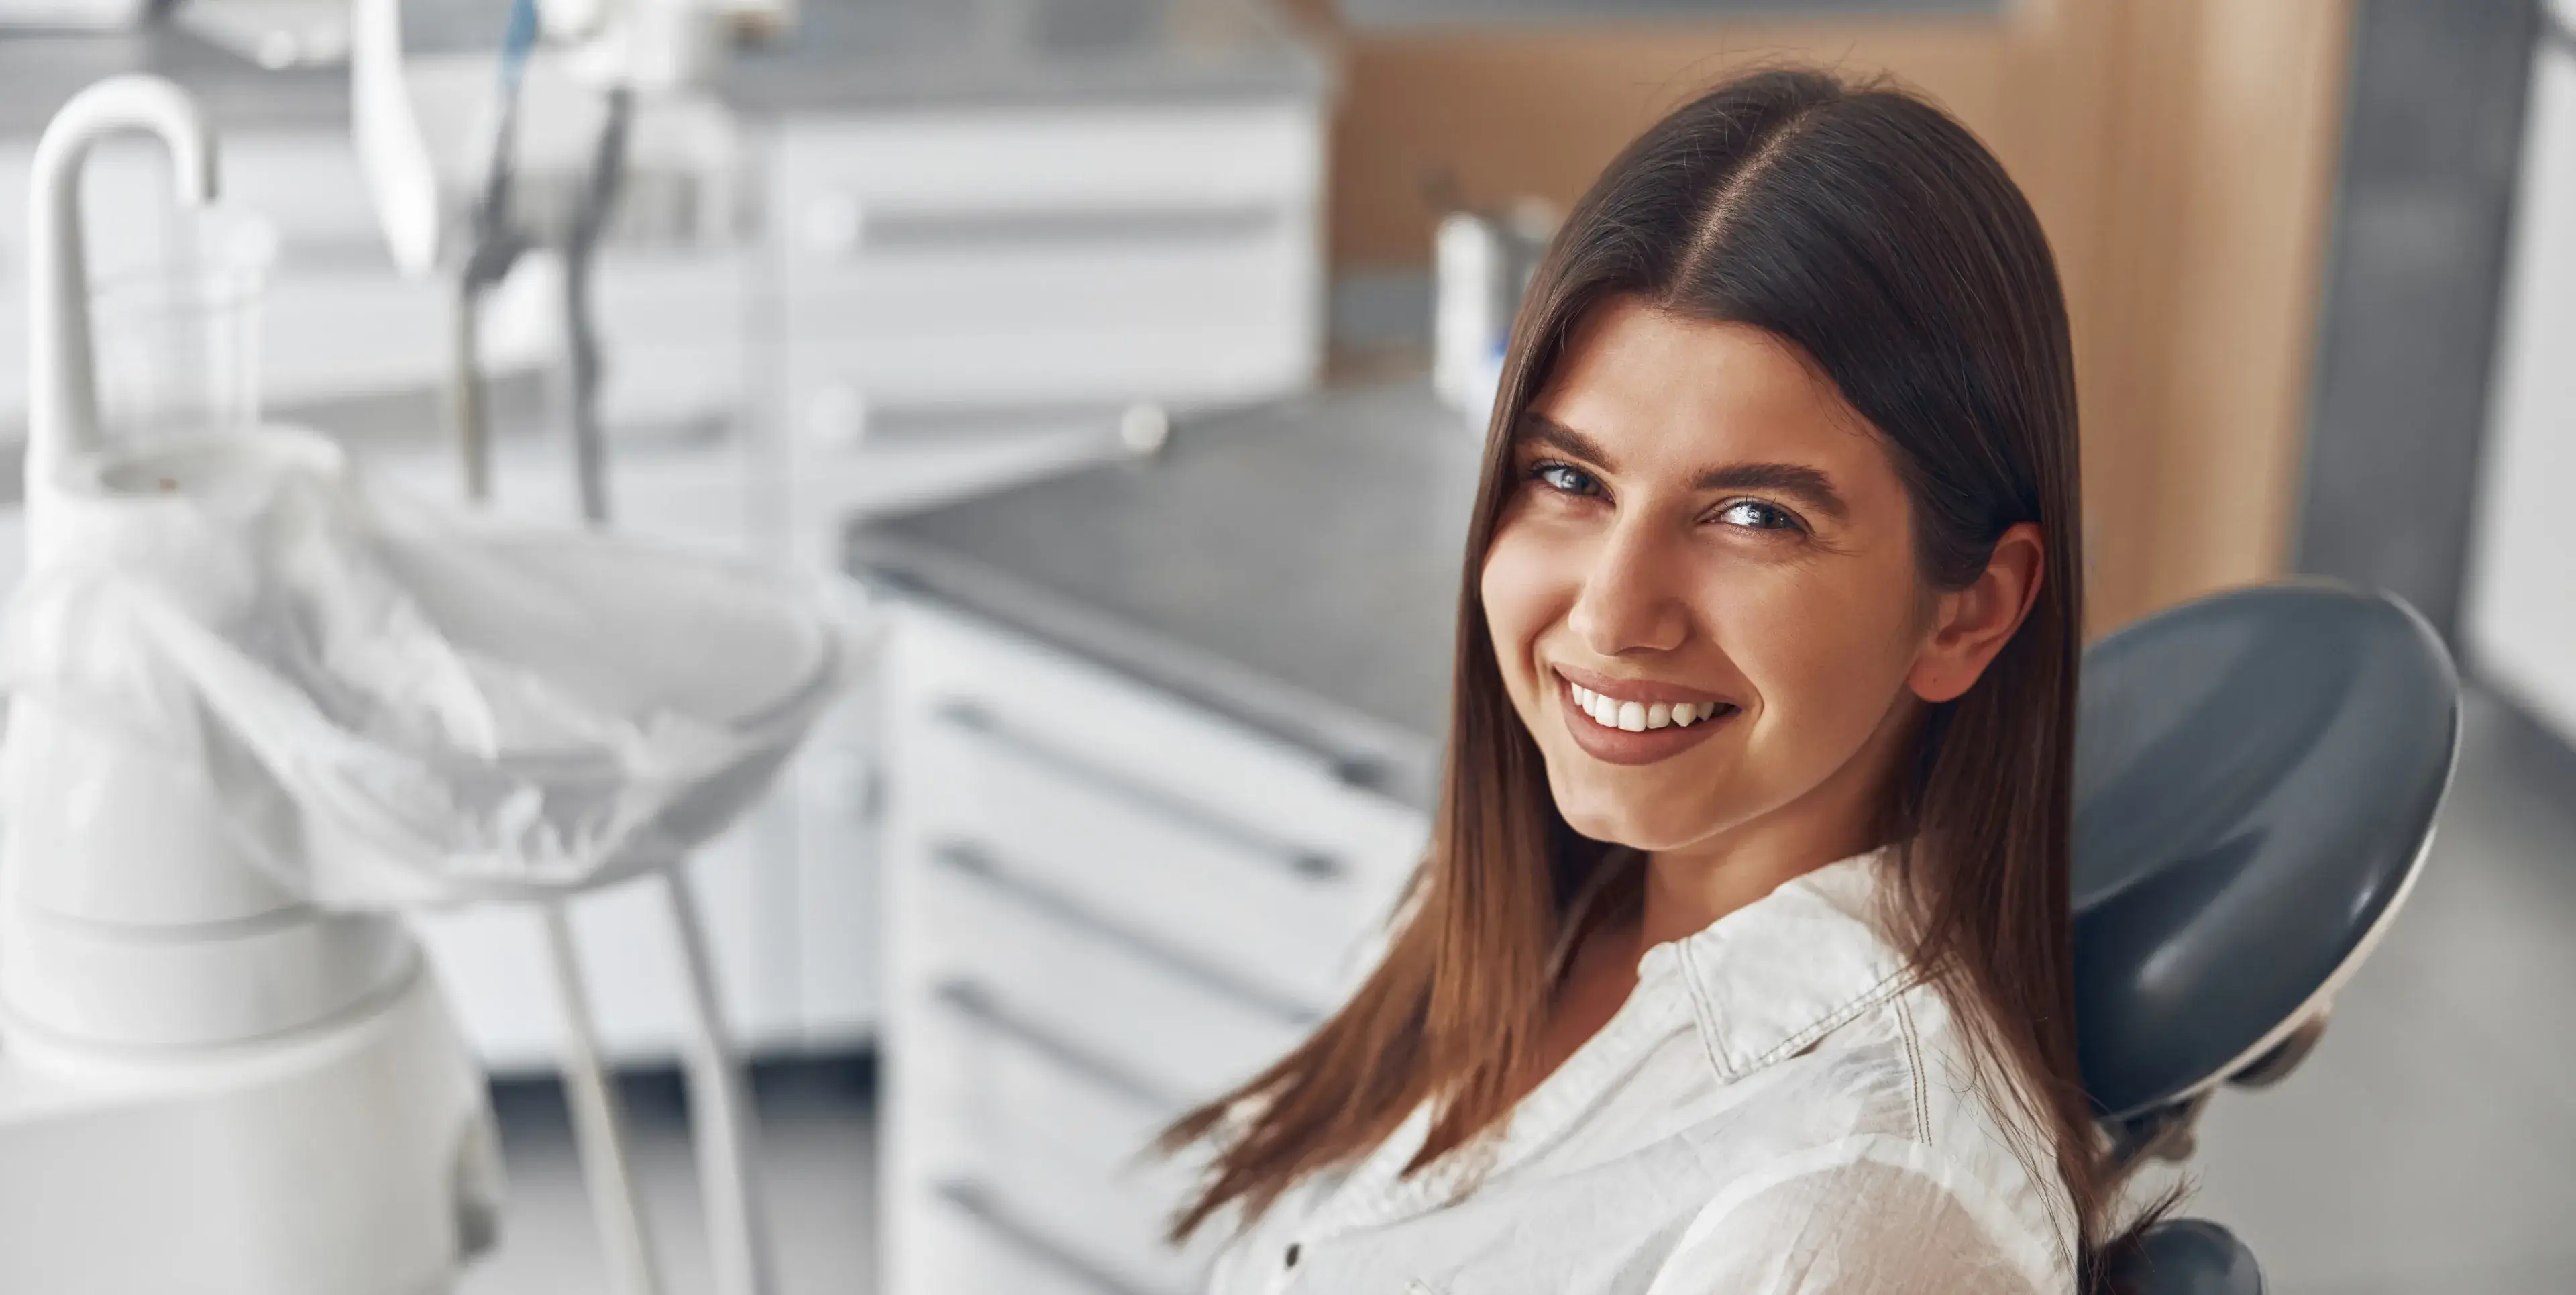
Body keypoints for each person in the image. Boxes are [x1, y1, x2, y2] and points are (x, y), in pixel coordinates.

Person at [1157, 68, 2160, 1294]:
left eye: (1753, 514)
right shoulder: (1534, 908)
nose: (1612, 614)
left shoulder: (1843, 1207)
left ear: (1971, 609)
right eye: (1571, 480)